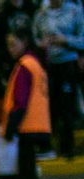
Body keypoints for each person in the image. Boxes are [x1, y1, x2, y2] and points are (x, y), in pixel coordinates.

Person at [2, 18, 53, 179]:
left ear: (24, 43)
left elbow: (20, 102)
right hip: (39, 124)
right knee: (27, 171)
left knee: (24, 172)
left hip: (27, 126)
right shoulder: (37, 65)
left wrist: (10, 127)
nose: (10, 49)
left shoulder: (24, 66)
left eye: (13, 44)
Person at [34, 0, 84, 159]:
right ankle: (48, 146)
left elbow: (82, 40)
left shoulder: (74, 11)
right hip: (49, 64)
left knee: (67, 105)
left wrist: (66, 40)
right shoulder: (41, 14)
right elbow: (35, 38)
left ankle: (67, 146)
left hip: (67, 63)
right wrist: (43, 44)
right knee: (50, 105)